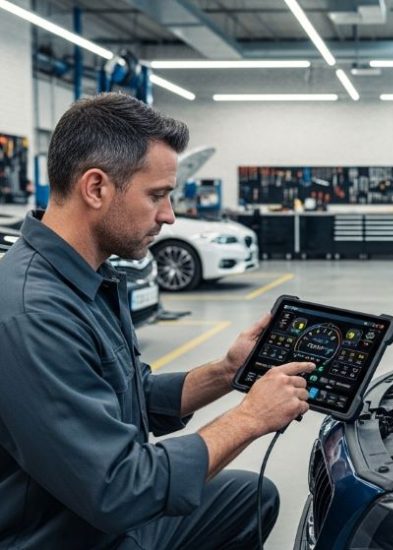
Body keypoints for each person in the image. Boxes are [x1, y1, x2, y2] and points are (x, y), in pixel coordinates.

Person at [0, 93, 315, 549]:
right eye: (157, 195)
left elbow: (132, 394)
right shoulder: (34, 314)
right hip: (62, 534)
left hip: (91, 514)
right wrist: (250, 417)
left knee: (248, 496)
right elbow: (120, 489)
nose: (168, 215)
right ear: (96, 188)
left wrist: (229, 373)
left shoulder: (85, 275)